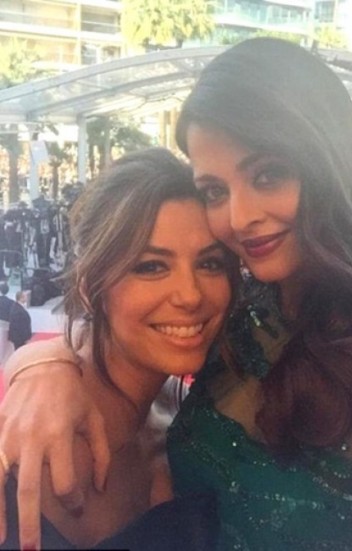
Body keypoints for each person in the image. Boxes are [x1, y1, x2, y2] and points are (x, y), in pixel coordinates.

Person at [1, 38, 352, 551]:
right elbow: (124, 319)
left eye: (268, 175)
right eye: (215, 191)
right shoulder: (243, 317)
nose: (239, 218)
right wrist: (44, 364)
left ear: (333, 164)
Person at [0, 147, 234, 550]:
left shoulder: (187, 417)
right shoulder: (24, 444)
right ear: (90, 289)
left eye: (210, 263)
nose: (190, 295)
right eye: (151, 266)